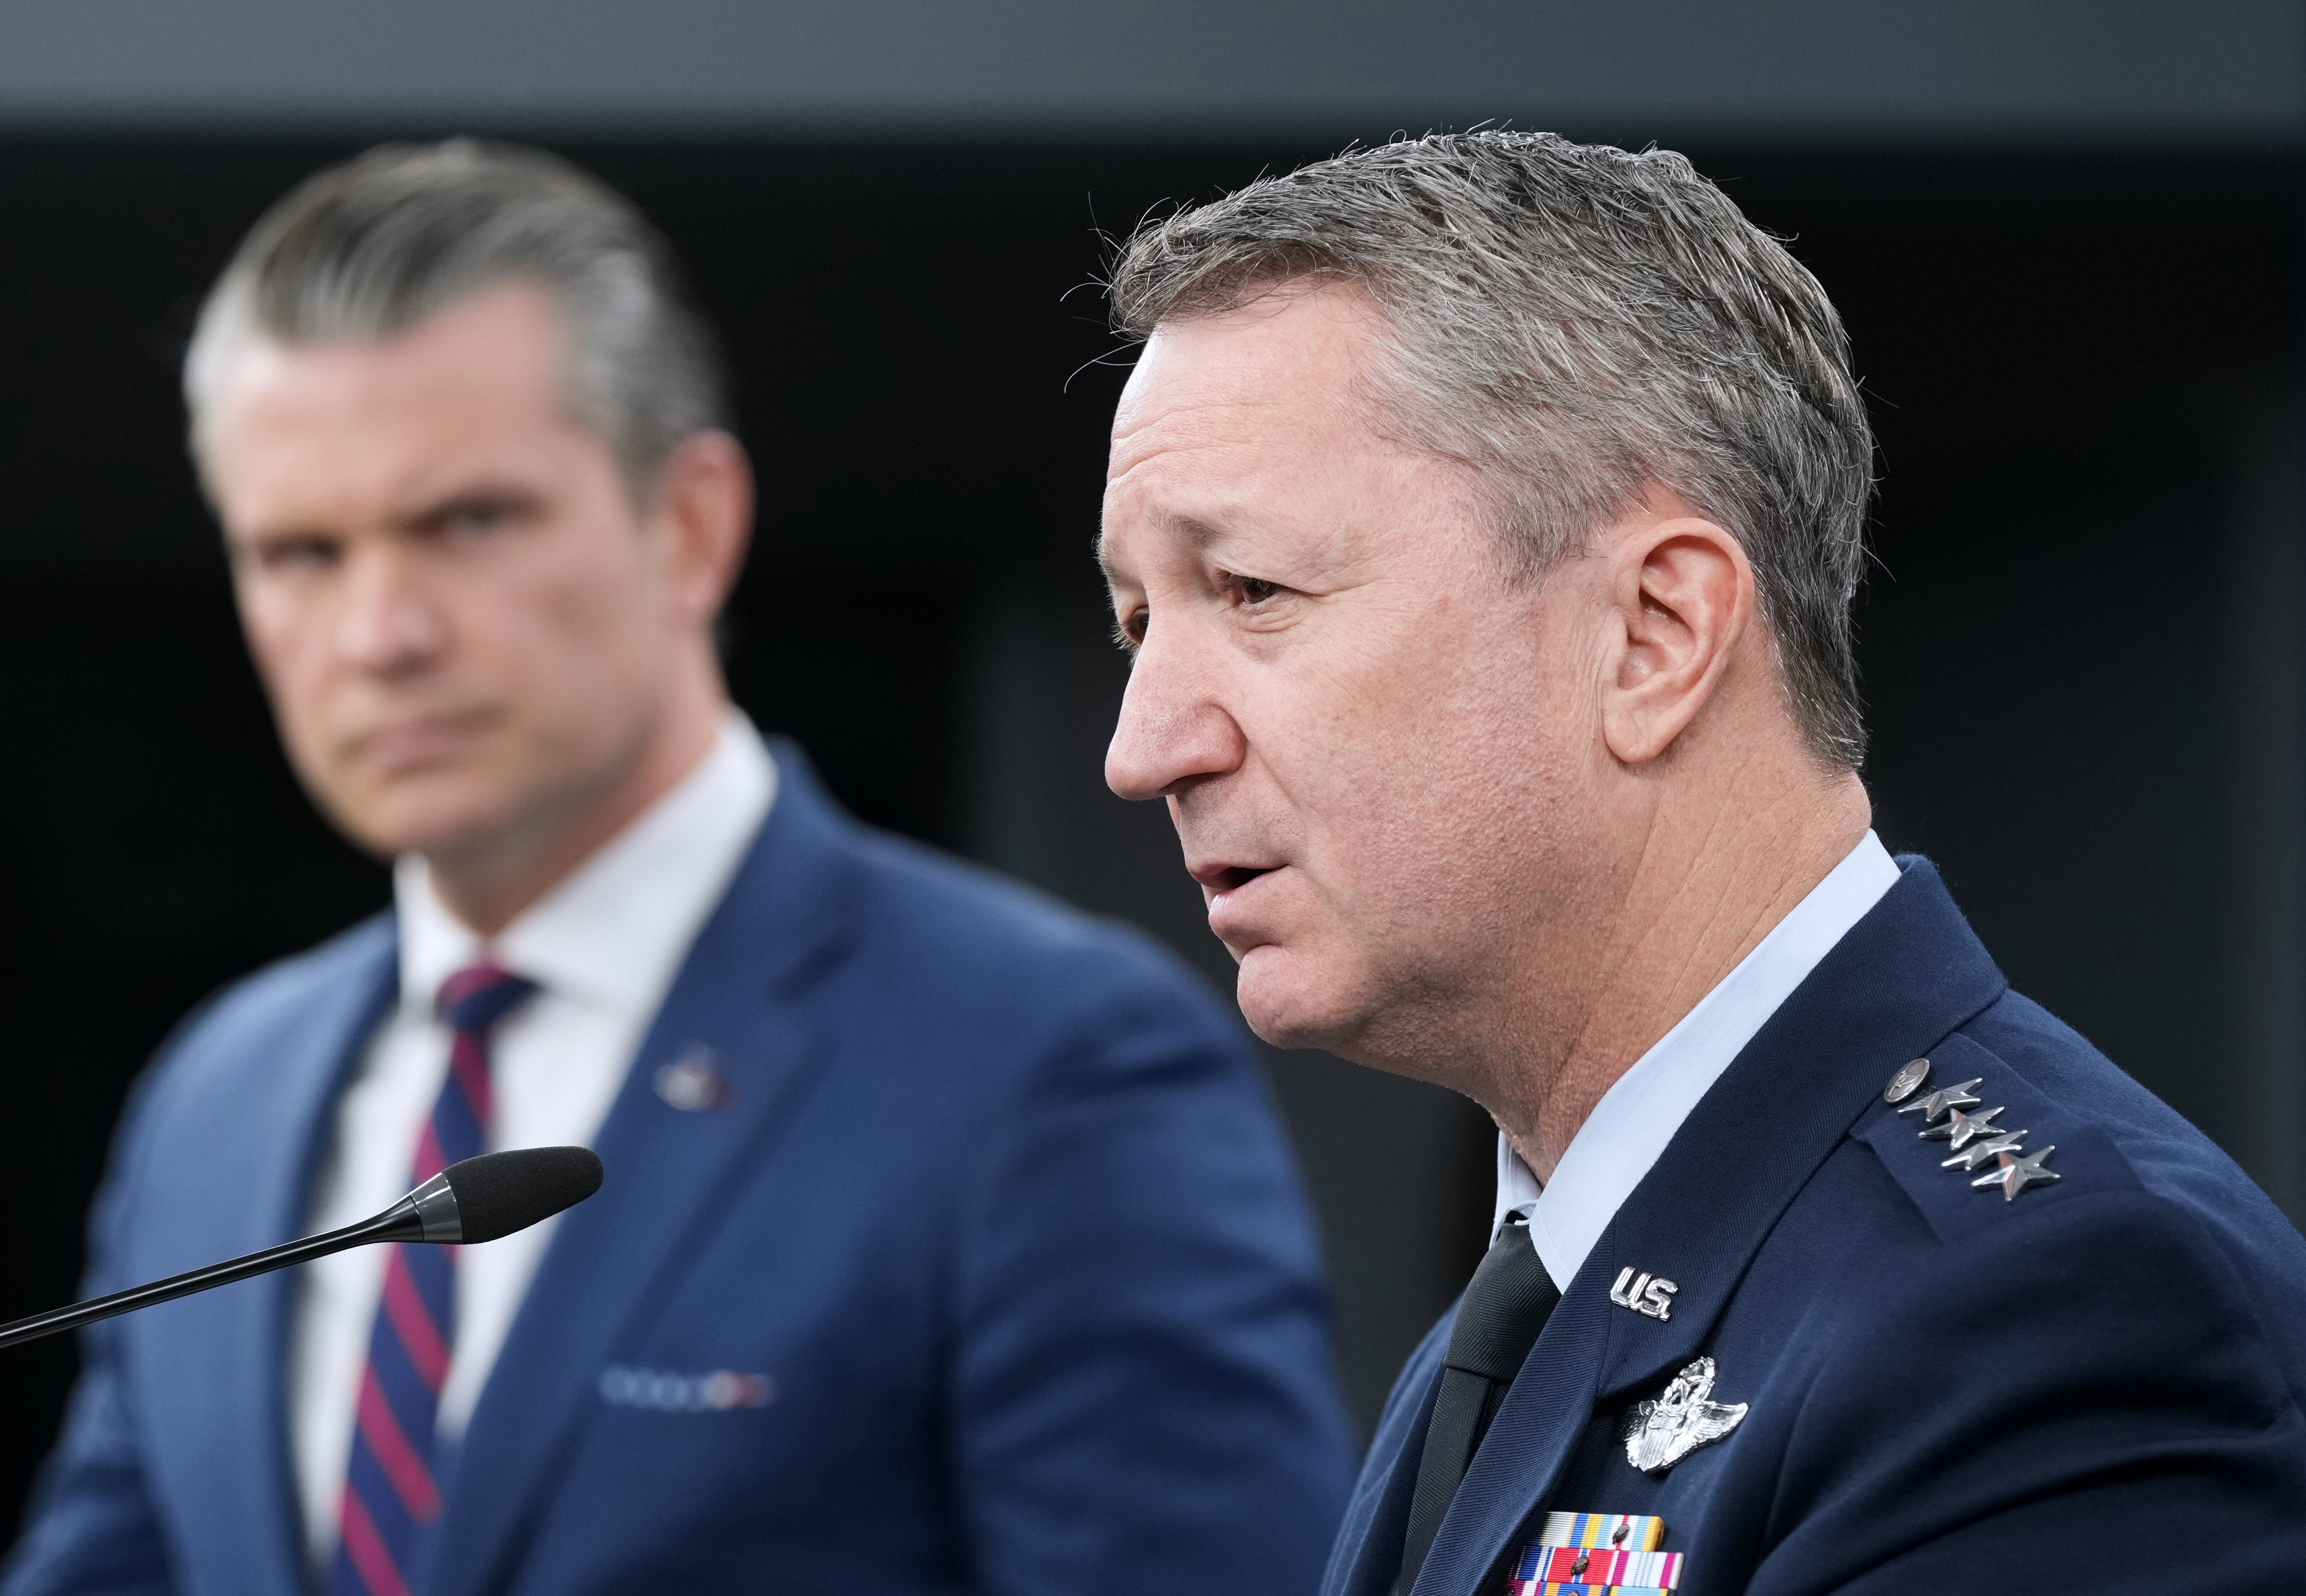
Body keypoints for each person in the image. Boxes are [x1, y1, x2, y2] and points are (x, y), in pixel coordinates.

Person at [5, 141, 1354, 1596]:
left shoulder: (1044, 1061)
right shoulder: (220, 1098)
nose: (380, 632)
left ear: (691, 525)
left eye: (467, 523)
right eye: (301, 553)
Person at [1095, 130, 2306, 1596]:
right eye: (1138, 623)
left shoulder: (2056, 1319)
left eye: (1252, 589)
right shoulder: (1542, 1302)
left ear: (1654, 636)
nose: (1145, 748)